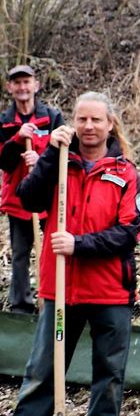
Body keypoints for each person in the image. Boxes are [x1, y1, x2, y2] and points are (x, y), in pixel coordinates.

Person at [0, 91, 140, 416]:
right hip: (61, 289)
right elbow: (27, 198)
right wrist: (50, 155)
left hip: (110, 290)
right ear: (73, 123)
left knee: (108, 374)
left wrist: (78, 244)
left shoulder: (125, 172)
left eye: (96, 120)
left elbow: (128, 232)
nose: (88, 126)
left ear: (110, 123)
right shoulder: (60, 162)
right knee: (42, 370)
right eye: (82, 119)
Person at [0, 65, 64, 313]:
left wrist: (41, 161)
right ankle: (21, 306)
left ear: (36, 85)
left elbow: (66, 154)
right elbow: (3, 162)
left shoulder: (52, 117)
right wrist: (17, 139)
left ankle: (52, 299)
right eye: (17, 83)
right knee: (20, 255)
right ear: (10, 88)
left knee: (51, 250)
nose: (22, 87)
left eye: (27, 82)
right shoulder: (4, 122)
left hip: (47, 196)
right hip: (18, 199)